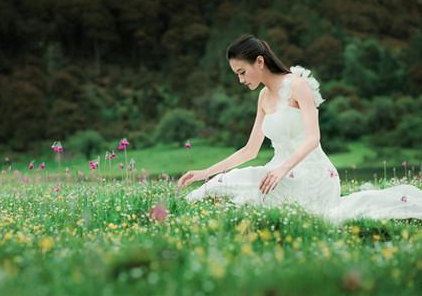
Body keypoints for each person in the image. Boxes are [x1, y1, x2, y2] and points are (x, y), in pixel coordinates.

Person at [177, 34, 422, 224]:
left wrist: (283, 168)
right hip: (279, 171)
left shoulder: (297, 85)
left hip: (312, 174)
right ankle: (177, 209)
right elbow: (249, 150)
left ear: (259, 62)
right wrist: (204, 173)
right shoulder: (263, 97)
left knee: (253, 187)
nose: (240, 79)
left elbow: (314, 137)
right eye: (237, 74)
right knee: (234, 185)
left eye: (242, 72)